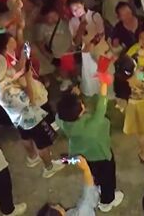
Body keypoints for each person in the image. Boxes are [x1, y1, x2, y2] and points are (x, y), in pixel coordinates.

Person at [0, 53, 62, 178]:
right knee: (42, 144)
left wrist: (21, 72)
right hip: (31, 118)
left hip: (17, 119)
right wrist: (28, 77)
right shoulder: (9, 93)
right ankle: (49, 167)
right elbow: (31, 99)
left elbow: (7, 80)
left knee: (25, 137)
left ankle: (32, 157)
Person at [56, 75, 124, 212]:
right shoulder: (91, 125)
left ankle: (97, 185)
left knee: (95, 174)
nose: (82, 104)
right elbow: (101, 106)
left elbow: (65, 111)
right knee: (108, 178)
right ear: (80, 112)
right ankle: (106, 201)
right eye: (80, 104)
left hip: (82, 155)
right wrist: (104, 83)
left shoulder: (62, 120)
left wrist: (73, 97)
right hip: (101, 154)